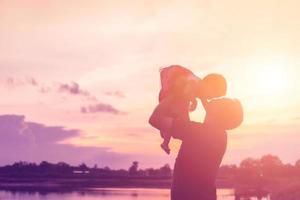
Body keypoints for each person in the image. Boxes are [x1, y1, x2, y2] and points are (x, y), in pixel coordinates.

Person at [149, 86, 243, 200]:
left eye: (219, 101)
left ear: (219, 112)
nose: (213, 99)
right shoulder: (218, 135)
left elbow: (155, 119)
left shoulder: (200, 133)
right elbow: (205, 107)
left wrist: (175, 93)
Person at [158, 65, 227, 154]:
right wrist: (193, 101)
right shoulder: (195, 83)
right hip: (174, 91)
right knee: (182, 117)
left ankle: (165, 139)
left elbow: (207, 107)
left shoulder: (202, 92)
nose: (211, 98)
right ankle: (166, 137)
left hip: (175, 94)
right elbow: (187, 93)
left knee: (176, 116)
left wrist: (214, 113)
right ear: (209, 85)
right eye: (213, 95)